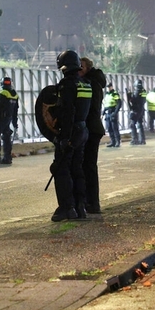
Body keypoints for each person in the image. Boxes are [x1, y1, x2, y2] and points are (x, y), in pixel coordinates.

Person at [51, 50, 91, 221]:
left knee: (60, 169)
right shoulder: (86, 84)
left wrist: (64, 137)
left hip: (70, 131)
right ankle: (80, 206)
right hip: (83, 130)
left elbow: (68, 112)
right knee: (77, 168)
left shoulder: (67, 85)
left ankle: (67, 208)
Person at [80, 57, 106, 214]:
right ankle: (90, 202)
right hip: (93, 128)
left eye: (81, 66)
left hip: (91, 128)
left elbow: (91, 109)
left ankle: (92, 203)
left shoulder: (91, 84)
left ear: (88, 68)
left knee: (88, 167)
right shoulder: (94, 81)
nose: (78, 69)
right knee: (88, 166)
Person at [0, 76, 19, 165]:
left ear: (2, 84)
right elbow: (15, 111)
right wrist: (15, 123)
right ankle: (7, 158)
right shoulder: (14, 95)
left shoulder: (2, 94)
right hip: (8, 119)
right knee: (6, 137)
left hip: (0, 119)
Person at [126, 80, 147, 145]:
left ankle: (134, 140)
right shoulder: (144, 91)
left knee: (132, 124)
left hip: (136, 110)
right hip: (141, 109)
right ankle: (142, 140)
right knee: (140, 124)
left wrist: (129, 95)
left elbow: (133, 100)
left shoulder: (137, 91)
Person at [103, 82, 122, 147]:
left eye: (109, 87)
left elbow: (119, 103)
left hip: (112, 112)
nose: (108, 88)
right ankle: (112, 141)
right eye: (107, 87)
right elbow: (106, 104)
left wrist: (115, 112)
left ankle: (118, 141)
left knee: (115, 128)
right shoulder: (107, 94)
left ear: (112, 87)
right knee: (109, 128)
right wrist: (103, 112)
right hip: (107, 113)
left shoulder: (115, 94)